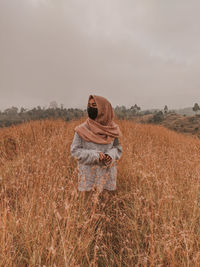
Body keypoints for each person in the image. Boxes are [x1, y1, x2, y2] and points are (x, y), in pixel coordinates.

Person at [70, 95, 122, 199]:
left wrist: (110, 155)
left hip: (107, 178)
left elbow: (118, 148)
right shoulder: (81, 129)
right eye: (89, 105)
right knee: (89, 211)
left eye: (94, 105)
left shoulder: (112, 129)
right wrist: (95, 156)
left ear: (104, 109)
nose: (90, 108)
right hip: (88, 179)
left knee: (106, 210)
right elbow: (75, 151)